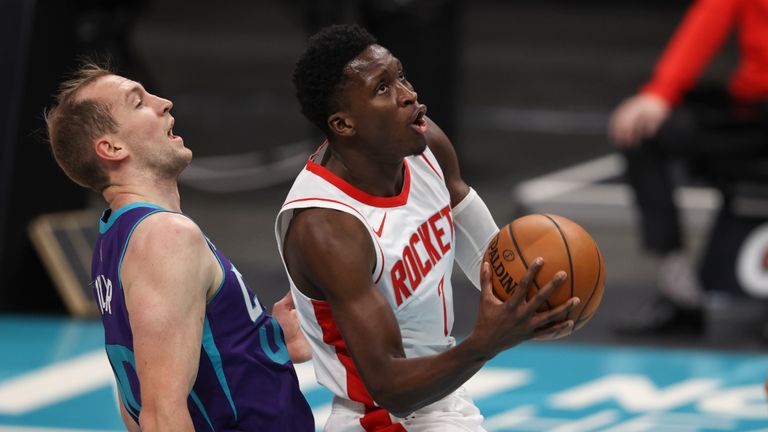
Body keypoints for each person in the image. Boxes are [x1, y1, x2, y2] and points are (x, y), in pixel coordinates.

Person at [275, 24, 580, 431]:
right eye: (382, 89)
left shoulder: (424, 143)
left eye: (400, 75)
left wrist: (531, 304)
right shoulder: (327, 228)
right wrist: (484, 344)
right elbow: (389, 387)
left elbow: (489, 256)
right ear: (344, 124)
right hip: (385, 418)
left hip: (441, 392)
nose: (408, 94)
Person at [44, 63, 314, 431]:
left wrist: (265, 336)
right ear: (111, 147)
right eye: (138, 103)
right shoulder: (165, 237)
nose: (165, 103)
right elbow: (160, 414)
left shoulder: (115, 239)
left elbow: (134, 402)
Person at [608, 0, 768, 335]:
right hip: (752, 111)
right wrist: (660, 93)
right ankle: (681, 294)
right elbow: (709, 18)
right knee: (642, 135)